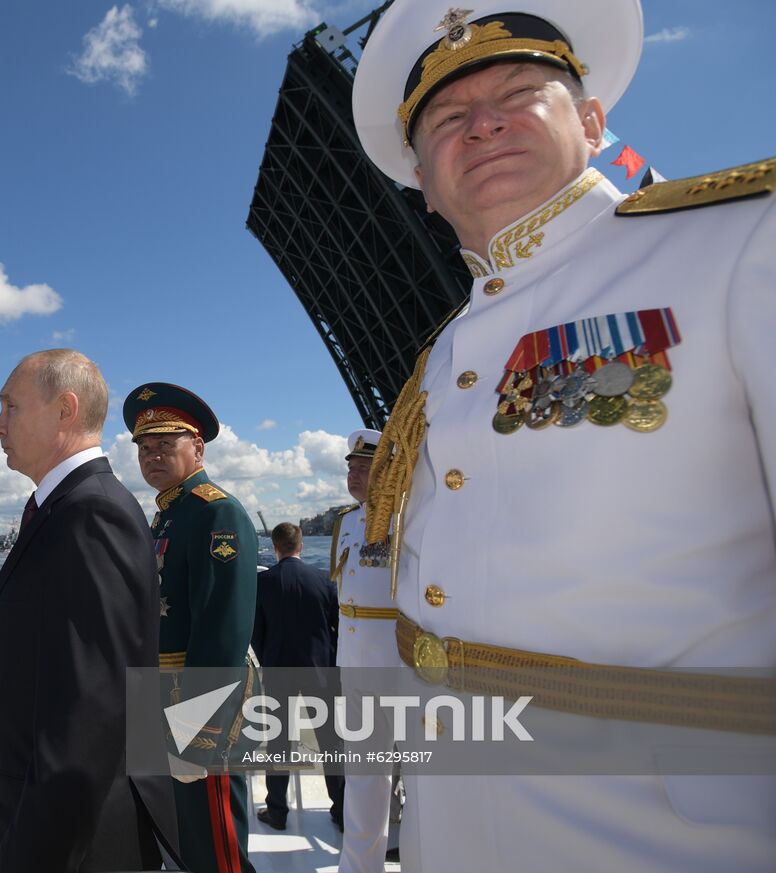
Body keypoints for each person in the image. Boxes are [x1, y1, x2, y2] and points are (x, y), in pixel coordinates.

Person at [352, 1, 776, 869]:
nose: (483, 122)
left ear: (591, 120)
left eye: (517, 90)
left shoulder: (739, 244)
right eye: (445, 119)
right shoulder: (439, 362)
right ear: (423, 186)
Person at [0, 350, 176, 873]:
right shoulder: (65, 508)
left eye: (11, 406)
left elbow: (89, 726)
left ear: (64, 410)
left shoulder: (92, 514)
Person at [124, 382, 259, 873]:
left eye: (165, 443)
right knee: (184, 832)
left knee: (214, 840)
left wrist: (201, 728)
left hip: (202, 703)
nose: (152, 455)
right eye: (144, 446)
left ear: (197, 447)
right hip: (163, 695)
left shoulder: (215, 512)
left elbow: (223, 629)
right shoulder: (167, 515)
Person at [330, 429, 399, 872]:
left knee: (426, 777)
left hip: (400, 664)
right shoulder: (347, 523)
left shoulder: (407, 519)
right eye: (351, 465)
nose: (353, 471)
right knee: (364, 777)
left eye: (364, 465)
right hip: (354, 666)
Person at [250, 521, 343, 831]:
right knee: (331, 739)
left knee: (279, 741)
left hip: (279, 669)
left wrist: (269, 660)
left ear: (275, 547)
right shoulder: (324, 581)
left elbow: (256, 634)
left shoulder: (263, 584)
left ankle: (277, 810)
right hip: (321, 670)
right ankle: (341, 808)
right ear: (301, 546)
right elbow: (337, 629)